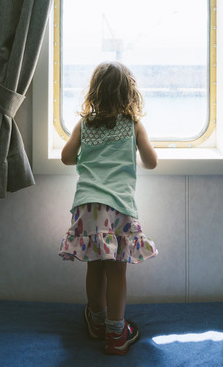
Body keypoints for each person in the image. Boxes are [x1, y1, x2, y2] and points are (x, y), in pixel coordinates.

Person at [59, 61, 158, 356]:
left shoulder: (84, 124)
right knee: (117, 272)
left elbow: (66, 157)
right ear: (129, 94)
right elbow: (151, 162)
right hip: (119, 207)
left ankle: (96, 322)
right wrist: (133, 158)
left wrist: (89, 163)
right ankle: (116, 334)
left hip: (87, 205)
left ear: (95, 92)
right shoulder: (133, 126)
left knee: (94, 266)